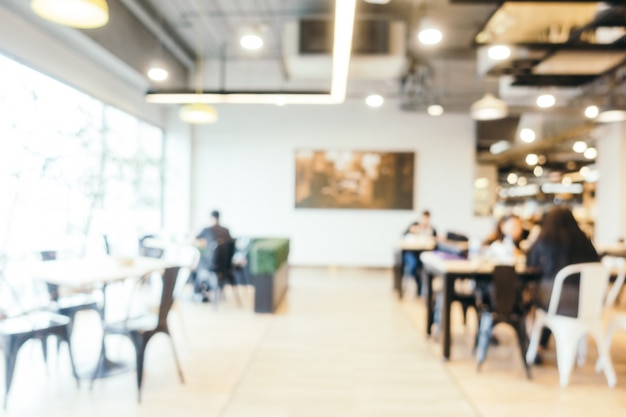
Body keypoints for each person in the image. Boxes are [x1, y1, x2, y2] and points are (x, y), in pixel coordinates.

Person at [525, 206, 599, 359]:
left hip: (556, 300)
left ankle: (535, 344)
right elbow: (597, 263)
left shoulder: (545, 239)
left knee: (532, 300)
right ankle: (540, 344)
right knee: (548, 301)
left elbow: (530, 263)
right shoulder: (584, 240)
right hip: (586, 302)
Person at [194, 210, 233, 300]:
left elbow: (196, 239)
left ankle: (200, 292)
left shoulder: (207, 230)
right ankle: (205, 290)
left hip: (212, 265)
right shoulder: (226, 231)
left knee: (197, 264)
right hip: (226, 266)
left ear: (211, 218)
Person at [402, 210, 437, 295]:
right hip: (411, 252)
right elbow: (403, 236)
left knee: (424, 266)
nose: (425, 221)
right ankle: (415, 284)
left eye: (427, 219)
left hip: (423, 254)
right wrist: (411, 231)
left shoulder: (432, 229)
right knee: (413, 264)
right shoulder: (414, 226)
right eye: (423, 219)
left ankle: (422, 288)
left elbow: (436, 242)